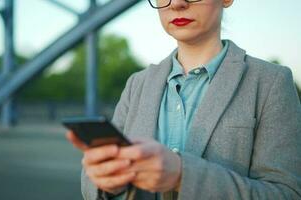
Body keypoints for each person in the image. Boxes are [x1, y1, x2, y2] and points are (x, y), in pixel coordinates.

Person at [66, 0, 301, 199]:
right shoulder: (137, 83)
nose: (177, 4)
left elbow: (287, 193)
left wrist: (182, 175)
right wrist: (107, 180)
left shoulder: (272, 82)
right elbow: (91, 184)